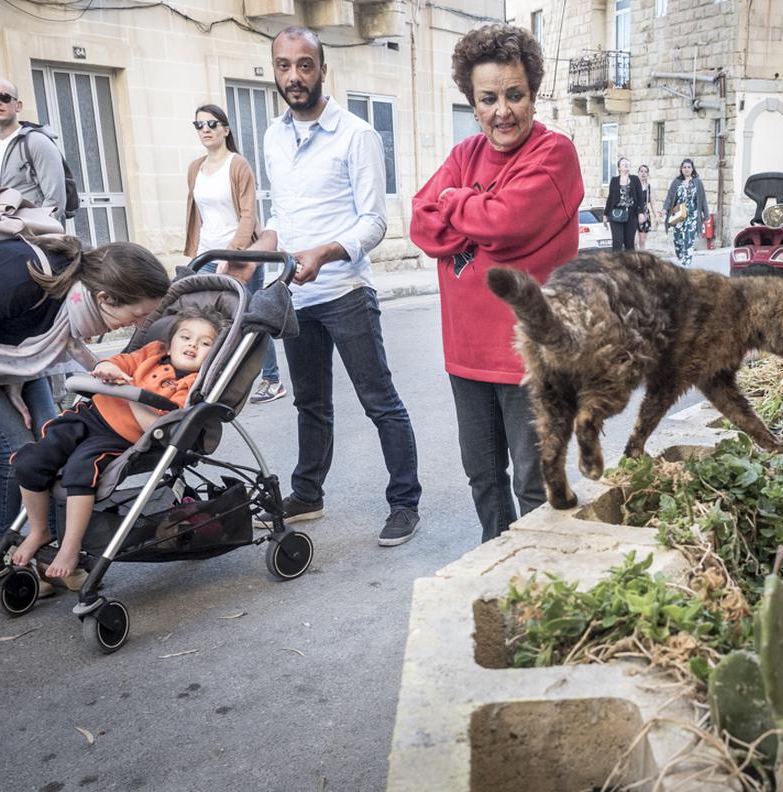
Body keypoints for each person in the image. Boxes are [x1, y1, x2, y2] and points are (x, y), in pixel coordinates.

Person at [221, 26, 422, 546]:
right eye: (284, 66)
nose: (294, 76)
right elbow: (283, 218)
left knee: (381, 402)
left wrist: (327, 252)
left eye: (304, 65)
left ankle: (404, 503)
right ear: (275, 71)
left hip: (347, 292)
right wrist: (250, 256)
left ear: (322, 70)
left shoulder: (357, 135)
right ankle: (308, 494)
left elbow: (375, 222)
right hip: (296, 296)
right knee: (310, 405)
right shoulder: (271, 135)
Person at [0, 235, 170, 590]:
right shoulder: (25, 284)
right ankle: (2, 548)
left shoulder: (74, 295)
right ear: (104, 297)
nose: (137, 325)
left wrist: (14, 380)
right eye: (137, 315)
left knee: (51, 434)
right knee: (15, 446)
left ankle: (57, 549)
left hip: (5, 346)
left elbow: (33, 340)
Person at [410, 23, 582, 543]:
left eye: (515, 95)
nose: (502, 111)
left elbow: (507, 224)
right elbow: (421, 222)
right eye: (488, 98)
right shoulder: (465, 155)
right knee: (483, 478)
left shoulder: (555, 155)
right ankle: (496, 561)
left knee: (535, 484)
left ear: (532, 93)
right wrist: (479, 223)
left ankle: (542, 580)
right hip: (465, 355)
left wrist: (458, 206)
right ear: (473, 100)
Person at [10, 307, 224, 578]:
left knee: (80, 470)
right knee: (31, 460)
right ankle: (40, 530)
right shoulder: (151, 353)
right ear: (169, 345)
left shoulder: (192, 386)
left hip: (120, 437)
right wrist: (108, 370)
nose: (193, 344)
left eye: (205, 343)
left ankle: (70, 546)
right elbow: (114, 363)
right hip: (88, 416)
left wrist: (130, 396)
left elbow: (160, 428)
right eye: (185, 337)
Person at [183, 103, 285, 404]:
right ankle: (207, 379)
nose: (205, 130)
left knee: (249, 318)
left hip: (241, 255)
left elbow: (247, 215)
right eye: (199, 125)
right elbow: (198, 215)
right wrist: (195, 253)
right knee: (201, 316)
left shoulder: (237, 165)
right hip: (206, 255)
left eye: (212, 124)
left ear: (225, 129)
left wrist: (233, 253)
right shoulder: (195, 168)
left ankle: (272, 378)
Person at [0, 76, 68, 216]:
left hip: (36, 233)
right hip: (6, 230)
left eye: (4, 97)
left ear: (18, 105)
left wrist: (39, 230)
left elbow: (55, 201)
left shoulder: (36, 142)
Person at [663, 158, 709, 268]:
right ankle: (681, 258)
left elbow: (702, 199)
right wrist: (665, 209)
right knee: (678, 241)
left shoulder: (697, 182)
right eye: (684, 167)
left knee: (689, 240)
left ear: (692, 169)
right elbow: (670, 197)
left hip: (692, 216)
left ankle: (686, 265)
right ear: (681, 169)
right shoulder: (676, 182)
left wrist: (706, 215)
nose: (686, 169)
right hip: (678, 215)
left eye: (689, 167)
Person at [603, 157, 644, 252]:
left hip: (631, 214)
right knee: (617, 242)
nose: (626, 164)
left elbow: (640, 197)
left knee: (629, 243)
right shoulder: (614, 180)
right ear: (619, 168)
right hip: (616, 214)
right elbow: (610, 198)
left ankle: (629, 265)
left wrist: (641, 212)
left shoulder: (635, 179)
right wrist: (605, 214)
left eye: (627, 163)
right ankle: (615, 265)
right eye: (623, 163)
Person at [636, 164, 656, 250]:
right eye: (641, 171)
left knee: (642, 241)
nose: (643, 173)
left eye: (645, 172)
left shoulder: (649, 187)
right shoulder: (634, 185)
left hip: (644, 214)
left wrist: (656, 215)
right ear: (638, 173)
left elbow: (652, 203)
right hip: (634, 214)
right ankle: (634, 261)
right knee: (634, 241)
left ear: (648, 174)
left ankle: (642, 261)